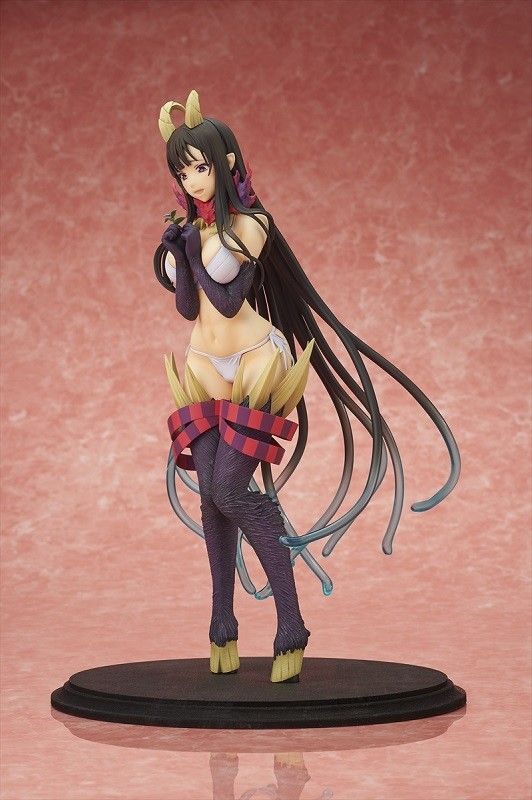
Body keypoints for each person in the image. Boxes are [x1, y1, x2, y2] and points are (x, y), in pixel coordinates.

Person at [153, 90, 460, 683]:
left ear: (226, 162)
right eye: (182, 171)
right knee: (210, 495)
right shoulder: (192, 229)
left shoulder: (251, 225)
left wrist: (192, 253)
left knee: (230, 490)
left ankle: (290, 623)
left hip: (252, 364)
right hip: (203, 365)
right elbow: (190, 307)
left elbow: (228, 298)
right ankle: (222, 623)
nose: (192, 181)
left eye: (200, 167)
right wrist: (179, 252)